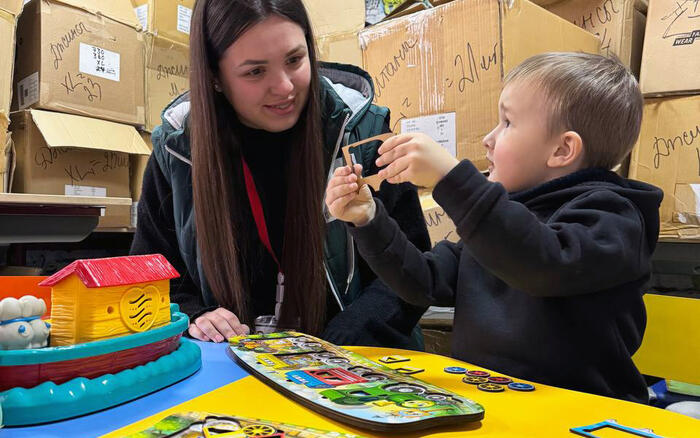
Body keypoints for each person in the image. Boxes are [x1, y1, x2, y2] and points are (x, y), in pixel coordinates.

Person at [325, 52, 662, 403]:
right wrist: (368, 218)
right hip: (492, 406)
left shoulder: (614, 217)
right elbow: (423, 281)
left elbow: (541, 262)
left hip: (583, 415)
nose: (489, 138)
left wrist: (451, 179)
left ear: (563, 149)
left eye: (507, 123)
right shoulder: (499, 223)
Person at [130, 0, 430, 348]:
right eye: (255, 72)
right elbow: (149, 277)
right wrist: (195, 315)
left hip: (358, 367)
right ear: (214, 77)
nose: (285, 87)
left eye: (294, 59)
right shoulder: (177, 148)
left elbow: (414, 266)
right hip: (232, 371)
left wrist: (342, 343)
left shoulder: (361, 132)